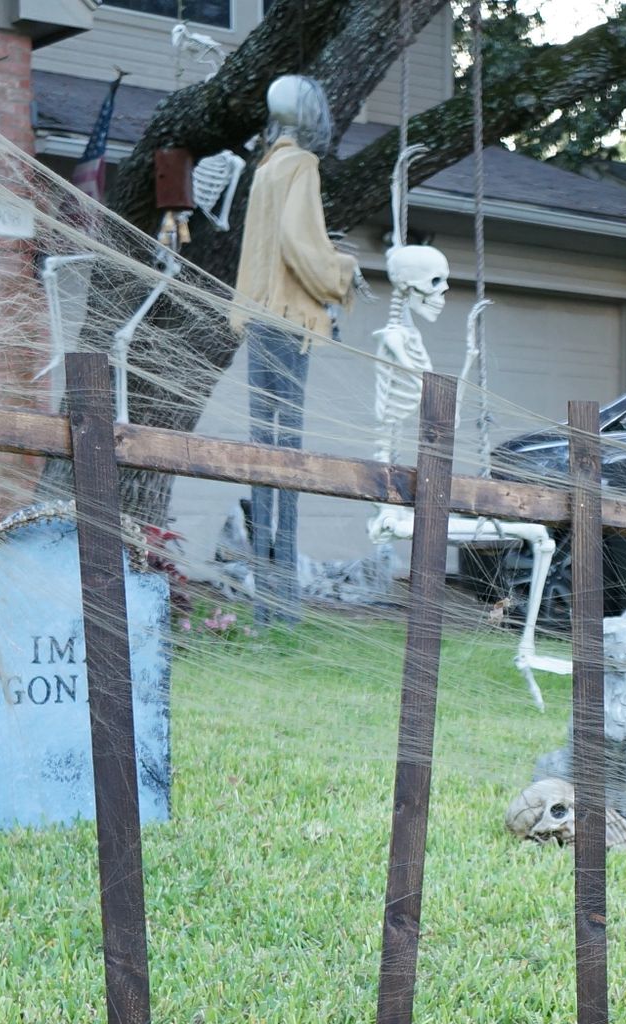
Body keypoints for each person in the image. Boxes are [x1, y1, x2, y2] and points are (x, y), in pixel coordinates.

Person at [231, 76, 357, 623]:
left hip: (259, 321)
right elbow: (300, 244)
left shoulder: (264, 169)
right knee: (288, 457)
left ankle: (268, 603)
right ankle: (281, 609)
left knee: (265, 454)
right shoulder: (300, 164)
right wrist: (342, 274)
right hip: (289, 322)